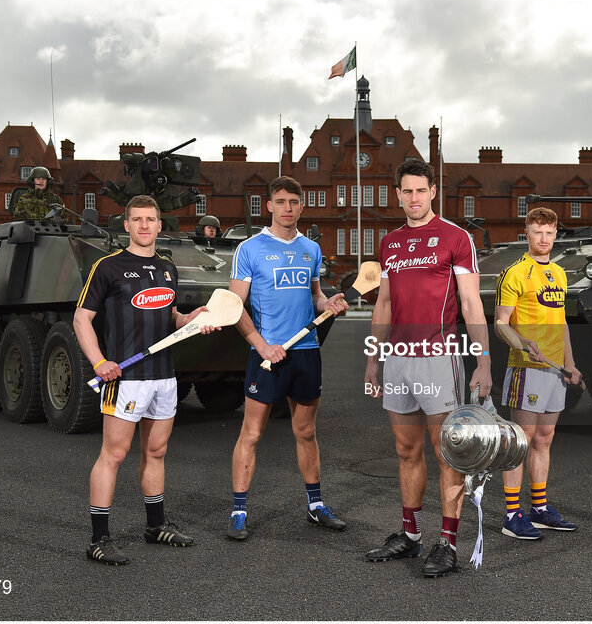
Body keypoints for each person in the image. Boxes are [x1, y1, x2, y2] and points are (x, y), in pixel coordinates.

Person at [363, 158, 492, 578]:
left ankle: (448, 543)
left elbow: (471, 304)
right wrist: (372, 360)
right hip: (398, 358)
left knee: (447, 453)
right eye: (407, 191)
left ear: (433, 192)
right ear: (397, 194)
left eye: (421, 190)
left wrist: (484, 360)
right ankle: (411, 536)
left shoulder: (456, 238)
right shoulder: (390, 243)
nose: (414, 198)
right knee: (405, 451)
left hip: (439, 357)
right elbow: (383, 304)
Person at [74, 194, 216, 565]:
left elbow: (168, 315)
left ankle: (155, 526)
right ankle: (99, 538)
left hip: (163, 377)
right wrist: (99, 361)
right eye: (136, 219)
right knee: (114, 454)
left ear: (158, 224)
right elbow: (81, 319)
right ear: (126, 225)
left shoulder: (168, 268)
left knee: (156, 451)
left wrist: (191, 318)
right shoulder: (108, 267)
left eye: (150, 219)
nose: (143, 226)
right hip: (126, 378)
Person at [225, 176, 349, 542]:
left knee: (306, 432)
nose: (287, 208)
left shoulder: (311, 249)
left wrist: (329, 304)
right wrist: (262, 346)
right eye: (280, 201)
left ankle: (315, 506)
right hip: (267, 356)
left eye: (294, 201)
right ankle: (238, 510)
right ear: (269, 206)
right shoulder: (250, 249)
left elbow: (315, 296)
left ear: (301, 206)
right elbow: (234, 307)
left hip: (306, 353)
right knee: (251, 432)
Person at [495, 207, 583, 540]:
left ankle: (540, 509)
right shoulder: (515, 273)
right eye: (537, 232)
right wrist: (521, 342)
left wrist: (570, 363)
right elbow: (501, 323)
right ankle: (512, 515)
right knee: (522, 441)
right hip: (527, 368)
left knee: (544, 439)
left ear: (556, 235)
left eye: (549, 233)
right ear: (527, 234)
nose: (543, 238)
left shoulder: (559, 273)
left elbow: (562, 323)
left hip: (555, 371)